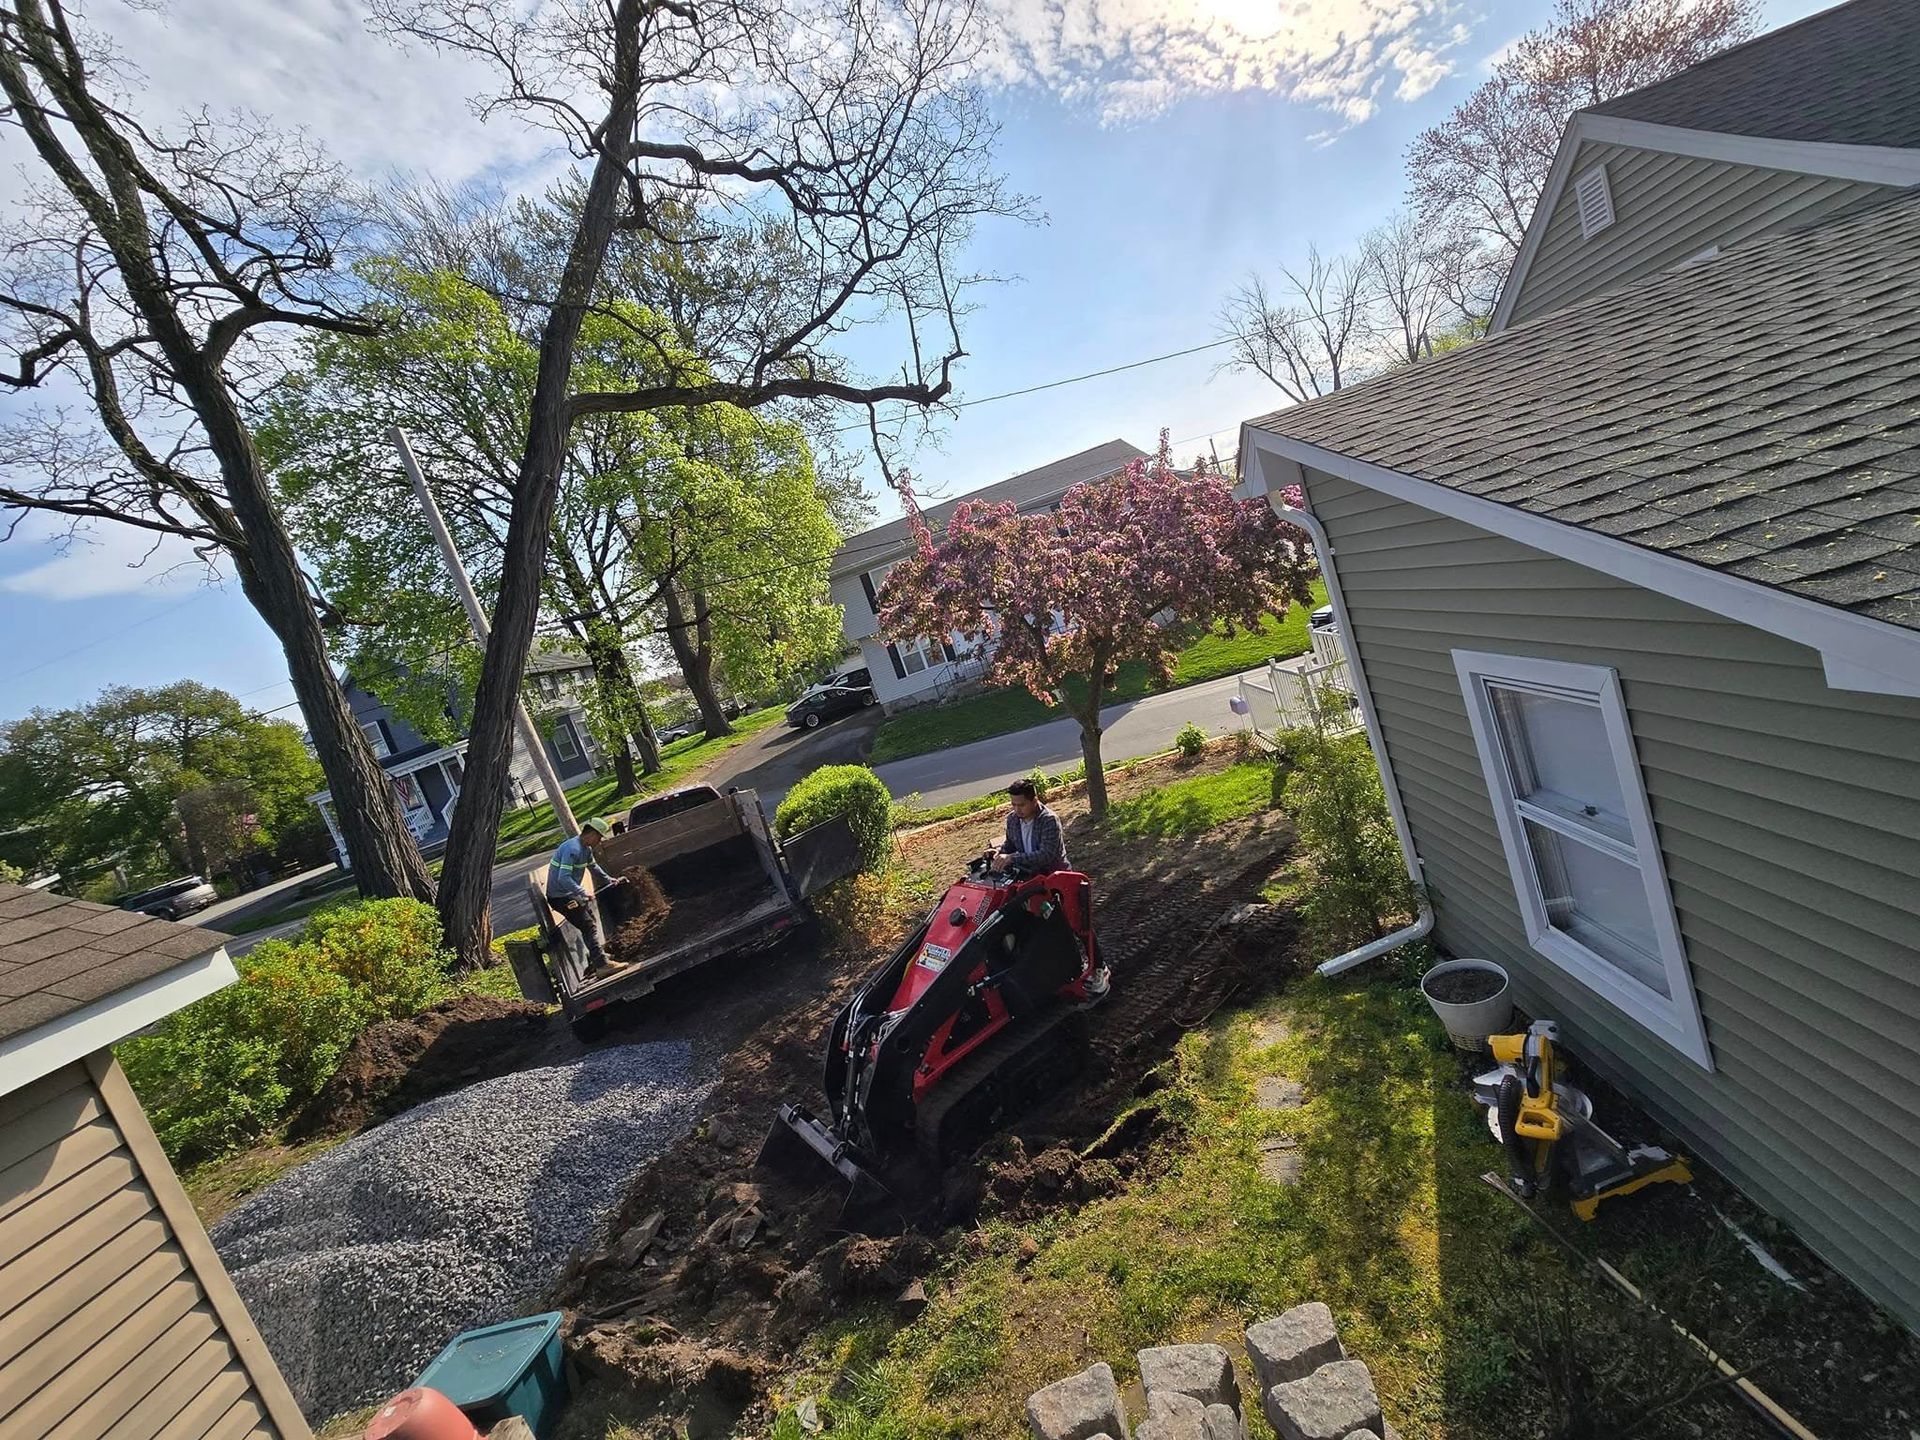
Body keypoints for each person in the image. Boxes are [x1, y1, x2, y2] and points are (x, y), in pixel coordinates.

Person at [547, 816, 628, 980]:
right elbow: (563, 878)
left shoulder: (586, 849)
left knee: (588, 920)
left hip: (569, 893)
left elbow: (593, 866)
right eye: (599, 837)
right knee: (588, 925)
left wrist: (608, 879)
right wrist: (582, 892)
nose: (599, 841)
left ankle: (597, 957)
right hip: (561, 897)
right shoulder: (573, 849)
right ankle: (602, 966)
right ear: (591, 834)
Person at [994, 778, 1067, 873]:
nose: (1017, 810)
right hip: (1027, 873)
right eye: (1013, 805)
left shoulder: (1049, 820)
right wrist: (998, 853)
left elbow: (1045, 855)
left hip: (1053, 875)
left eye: (1021, 805)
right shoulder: (1012, 819)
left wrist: (1012, 858)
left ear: (1034, 800)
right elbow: (1010, 844)